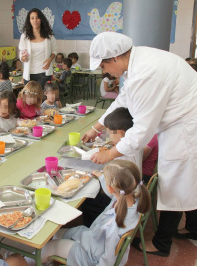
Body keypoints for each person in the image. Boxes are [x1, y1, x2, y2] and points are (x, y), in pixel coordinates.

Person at [82, 31, 197, 257]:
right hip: (183, 122)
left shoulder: (146, 73)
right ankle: (192, 228)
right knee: (187, 181)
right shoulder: (139, 61)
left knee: (175, 184)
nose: (104, 72)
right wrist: (96, 128)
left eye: (104, 66)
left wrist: (109, 154)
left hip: (185, 128)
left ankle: (161, 244)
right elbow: (123, 99)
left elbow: (141, 132)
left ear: (114, 58)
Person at [26, 160, 150, 266]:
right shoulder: (130, 199)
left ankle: (24, 262)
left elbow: (107, 259)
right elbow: (113, 193)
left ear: (111, 188)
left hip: (91, 256)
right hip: (92, 239)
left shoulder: (113, 226)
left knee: (49, 247)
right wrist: (102, 176)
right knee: (58, 233)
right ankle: (48, 259)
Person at [83, 107, 143, 227]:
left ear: (120, 132)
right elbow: (114, 139)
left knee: (87, 201)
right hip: (132, 189)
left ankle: (94, 227)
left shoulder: (123, 156)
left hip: (122, 195)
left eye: (109, 132)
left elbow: (112, 190)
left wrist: (101, 177)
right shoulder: (133, 142)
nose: (108, 135)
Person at [19, 8, 57, 88]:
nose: (35, 20)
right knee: (30, 99)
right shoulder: (24, 36)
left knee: (42, 97)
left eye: (37, 18)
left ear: (41, 19)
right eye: (32, 18)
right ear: (29, 20)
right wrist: (23, 58)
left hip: (44, 72)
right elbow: (21, 52)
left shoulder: (49, 36)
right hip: (29, 73)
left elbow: (54, 51)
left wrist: (50, 60)